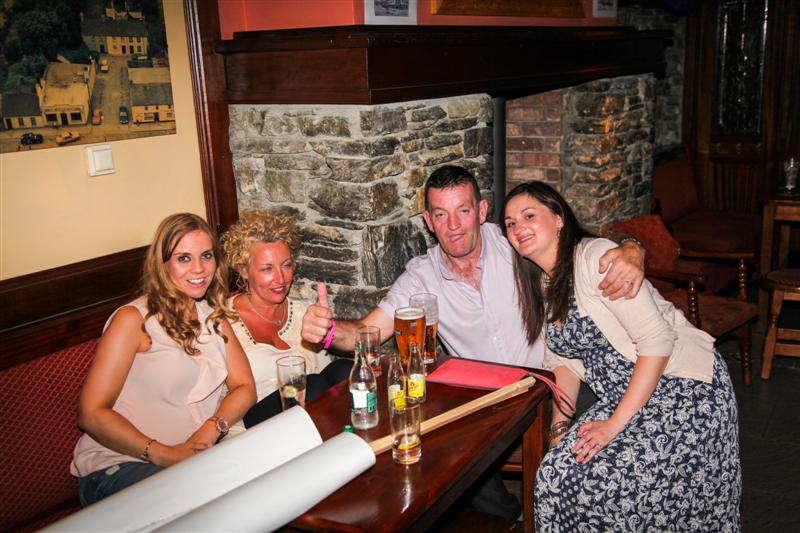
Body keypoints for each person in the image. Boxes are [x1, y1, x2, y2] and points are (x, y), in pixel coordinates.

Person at [301, 165, 646, 519]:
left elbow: (579, 242)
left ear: (481, 211)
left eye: (463, 211)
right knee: (442, 446)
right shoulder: (421, 277)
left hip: (556, 379)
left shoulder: (514, 242)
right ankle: (516, 518)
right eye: (441, 214)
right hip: (489, 400)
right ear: (429, 221)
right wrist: (329, 331)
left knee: (614, 452)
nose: (453, 226)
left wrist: (631, 248)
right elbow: (366, 331)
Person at [503, 181, 741, 531]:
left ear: (558, 219)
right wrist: (559, 429)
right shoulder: (543, 284)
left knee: (605, 484)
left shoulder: (596, 259)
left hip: (680, 389)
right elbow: (563, 363)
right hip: (626, 397)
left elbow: (657, 340)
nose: (518, 227)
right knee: (553, 474)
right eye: (510, 223)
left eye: (528, 216)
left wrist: (614, 425)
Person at [71, 213, 256, 506]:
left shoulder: (213, 316)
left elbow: (245, 387)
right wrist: (164, 454)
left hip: (192, 463)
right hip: (121, 466)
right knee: (214, 503)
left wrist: (209, 431)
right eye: (184, 258)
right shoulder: (134, 320)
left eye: (206, 256)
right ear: (163, 263)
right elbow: (91, 413)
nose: (199, 268)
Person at [221, 209, 351, 428]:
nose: (280, 279)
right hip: (252, 426)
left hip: (311, 416)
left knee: (344, 370)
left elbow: (328, 379)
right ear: (243, 270)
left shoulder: (304, 313)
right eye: (267, 269)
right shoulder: (223, 319)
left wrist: (328, 332)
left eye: (286, 265)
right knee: (310, 385)